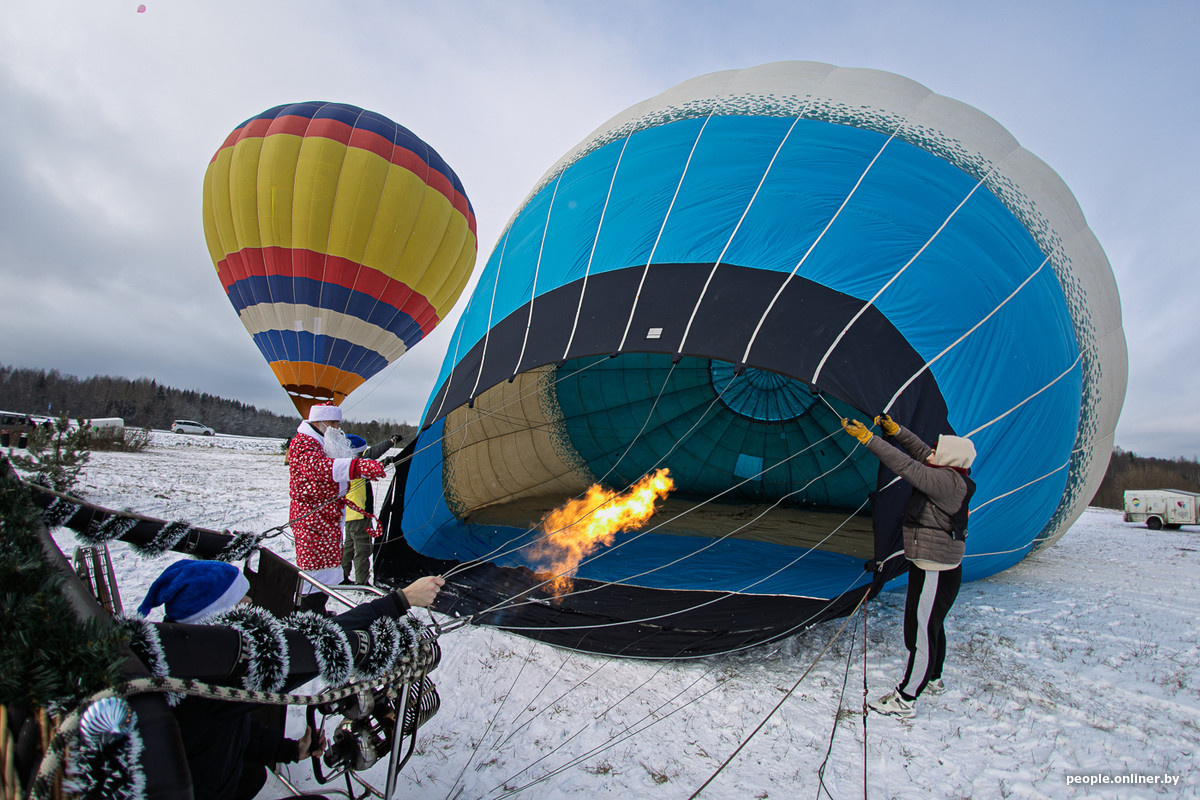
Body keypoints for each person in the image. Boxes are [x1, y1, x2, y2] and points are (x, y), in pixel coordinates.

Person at [138, 559, 445, 800]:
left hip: (212, 773)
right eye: (242, 602)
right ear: (217, 619)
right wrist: (402, 599)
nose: (251, 603)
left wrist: (289, 750)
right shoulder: (214, 681)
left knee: (253, 776)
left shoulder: (186, 656)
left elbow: (230, 728)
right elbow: (319, 642)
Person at [841, 413, 976, 719]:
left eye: (938, 450)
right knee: (930, 623)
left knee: (922, 632)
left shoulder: (945, 482)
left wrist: (869, 439)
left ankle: (906, 699)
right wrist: (897, 430)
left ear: (949, 458)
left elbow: (906, 466)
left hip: (935, 568)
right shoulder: (951, 473)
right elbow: (921, 453)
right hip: (933, 563)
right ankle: (934, 678)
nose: (931, 451)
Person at [287, 404, 387, 613]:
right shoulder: (304, 442)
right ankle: (308, 613)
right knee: (314, 568)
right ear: (318, 421)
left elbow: (336, 466)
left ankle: (318, 610)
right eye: (332, 423)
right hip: (312, 519)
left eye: (337, 423)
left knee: (327, 567)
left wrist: (361, 470)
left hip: (326, 517)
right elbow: (319, 468)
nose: (336, 428)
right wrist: (359, 467)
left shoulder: (321, 441)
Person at [342, 432, 404, 585]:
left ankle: (341, 577)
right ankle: (362, 582)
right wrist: (383, 462)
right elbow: (371, 458)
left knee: (349, 548)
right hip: (359, 516)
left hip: (349, 516)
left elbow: (371, 454)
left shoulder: (344, 464)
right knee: (362, 550)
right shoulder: (355, 466)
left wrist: (390, 442)